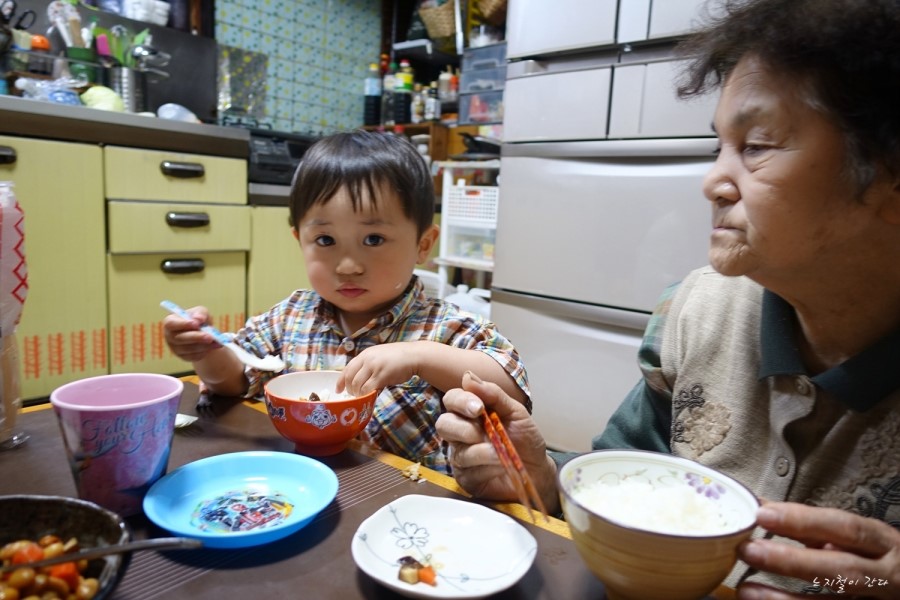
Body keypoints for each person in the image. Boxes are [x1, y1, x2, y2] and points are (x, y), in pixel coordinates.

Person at [435, 0, 900, 596]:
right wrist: (543, 479)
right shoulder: (699, 312)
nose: (712, 182)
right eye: (718, 147)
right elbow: (626, 476)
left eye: (757, 145)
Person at [164, 130, 530, 473]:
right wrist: (207, 352)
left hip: (407, 495)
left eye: (373, 239)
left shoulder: (444, 327)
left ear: (422, 244)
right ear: (300, 240)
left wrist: (420, 356)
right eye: (325, 240)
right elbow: (232, 383)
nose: (348, 266)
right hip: (300, 478)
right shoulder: (289, 317)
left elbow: (511, 389)